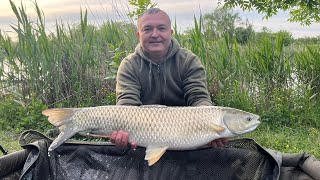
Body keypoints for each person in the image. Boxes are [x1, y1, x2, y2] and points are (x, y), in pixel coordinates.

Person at [112, 8, 228, 149]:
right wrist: (122, 133)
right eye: (147, 29)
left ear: (170, 33)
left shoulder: (188, 60)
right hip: (142, 135)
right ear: (139, 34)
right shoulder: (129, 64)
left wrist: (210, 126)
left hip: (186, 134)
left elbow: (199, 98)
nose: (155, 35)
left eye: (161, 28)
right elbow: (126, 106)